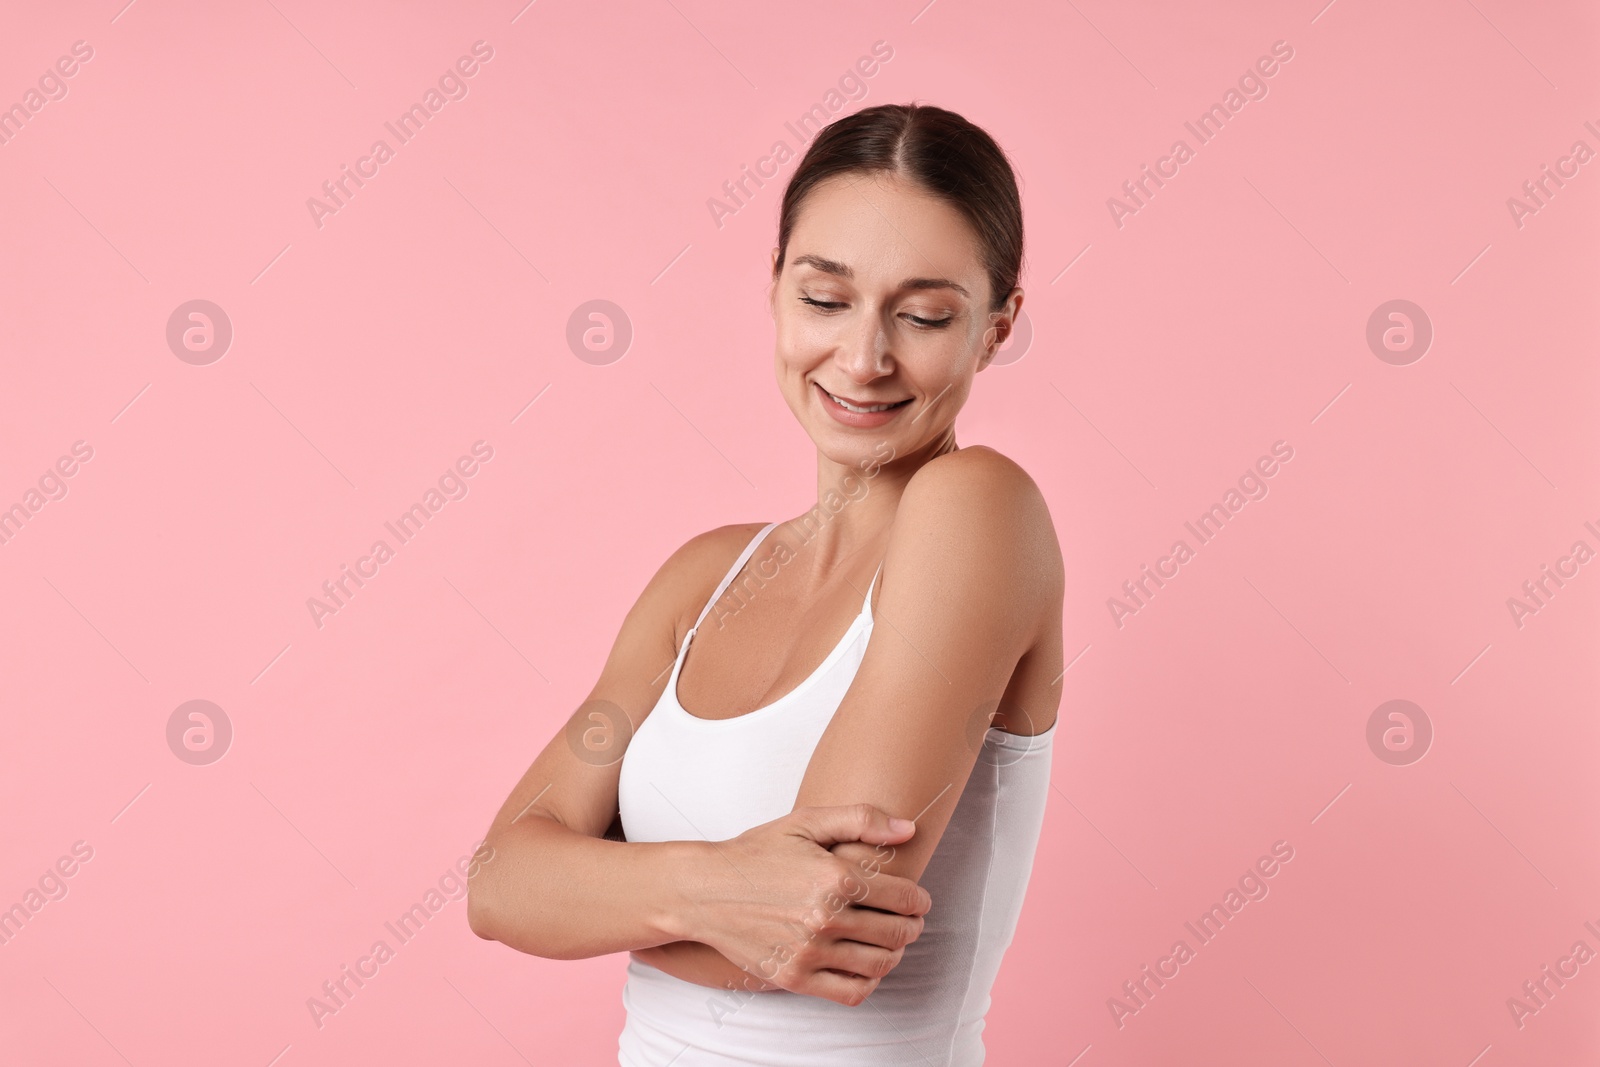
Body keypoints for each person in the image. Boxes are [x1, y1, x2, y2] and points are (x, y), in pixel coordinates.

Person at [468, 101, 1065, 1066]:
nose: (864, 359)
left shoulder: (979, 511)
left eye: (923, 316)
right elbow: (498, 883)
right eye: (825, 299)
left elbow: (819, 918)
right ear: (775, 291)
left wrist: (595, 889)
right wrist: (712, 889)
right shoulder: (705, 579)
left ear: (997, 327)